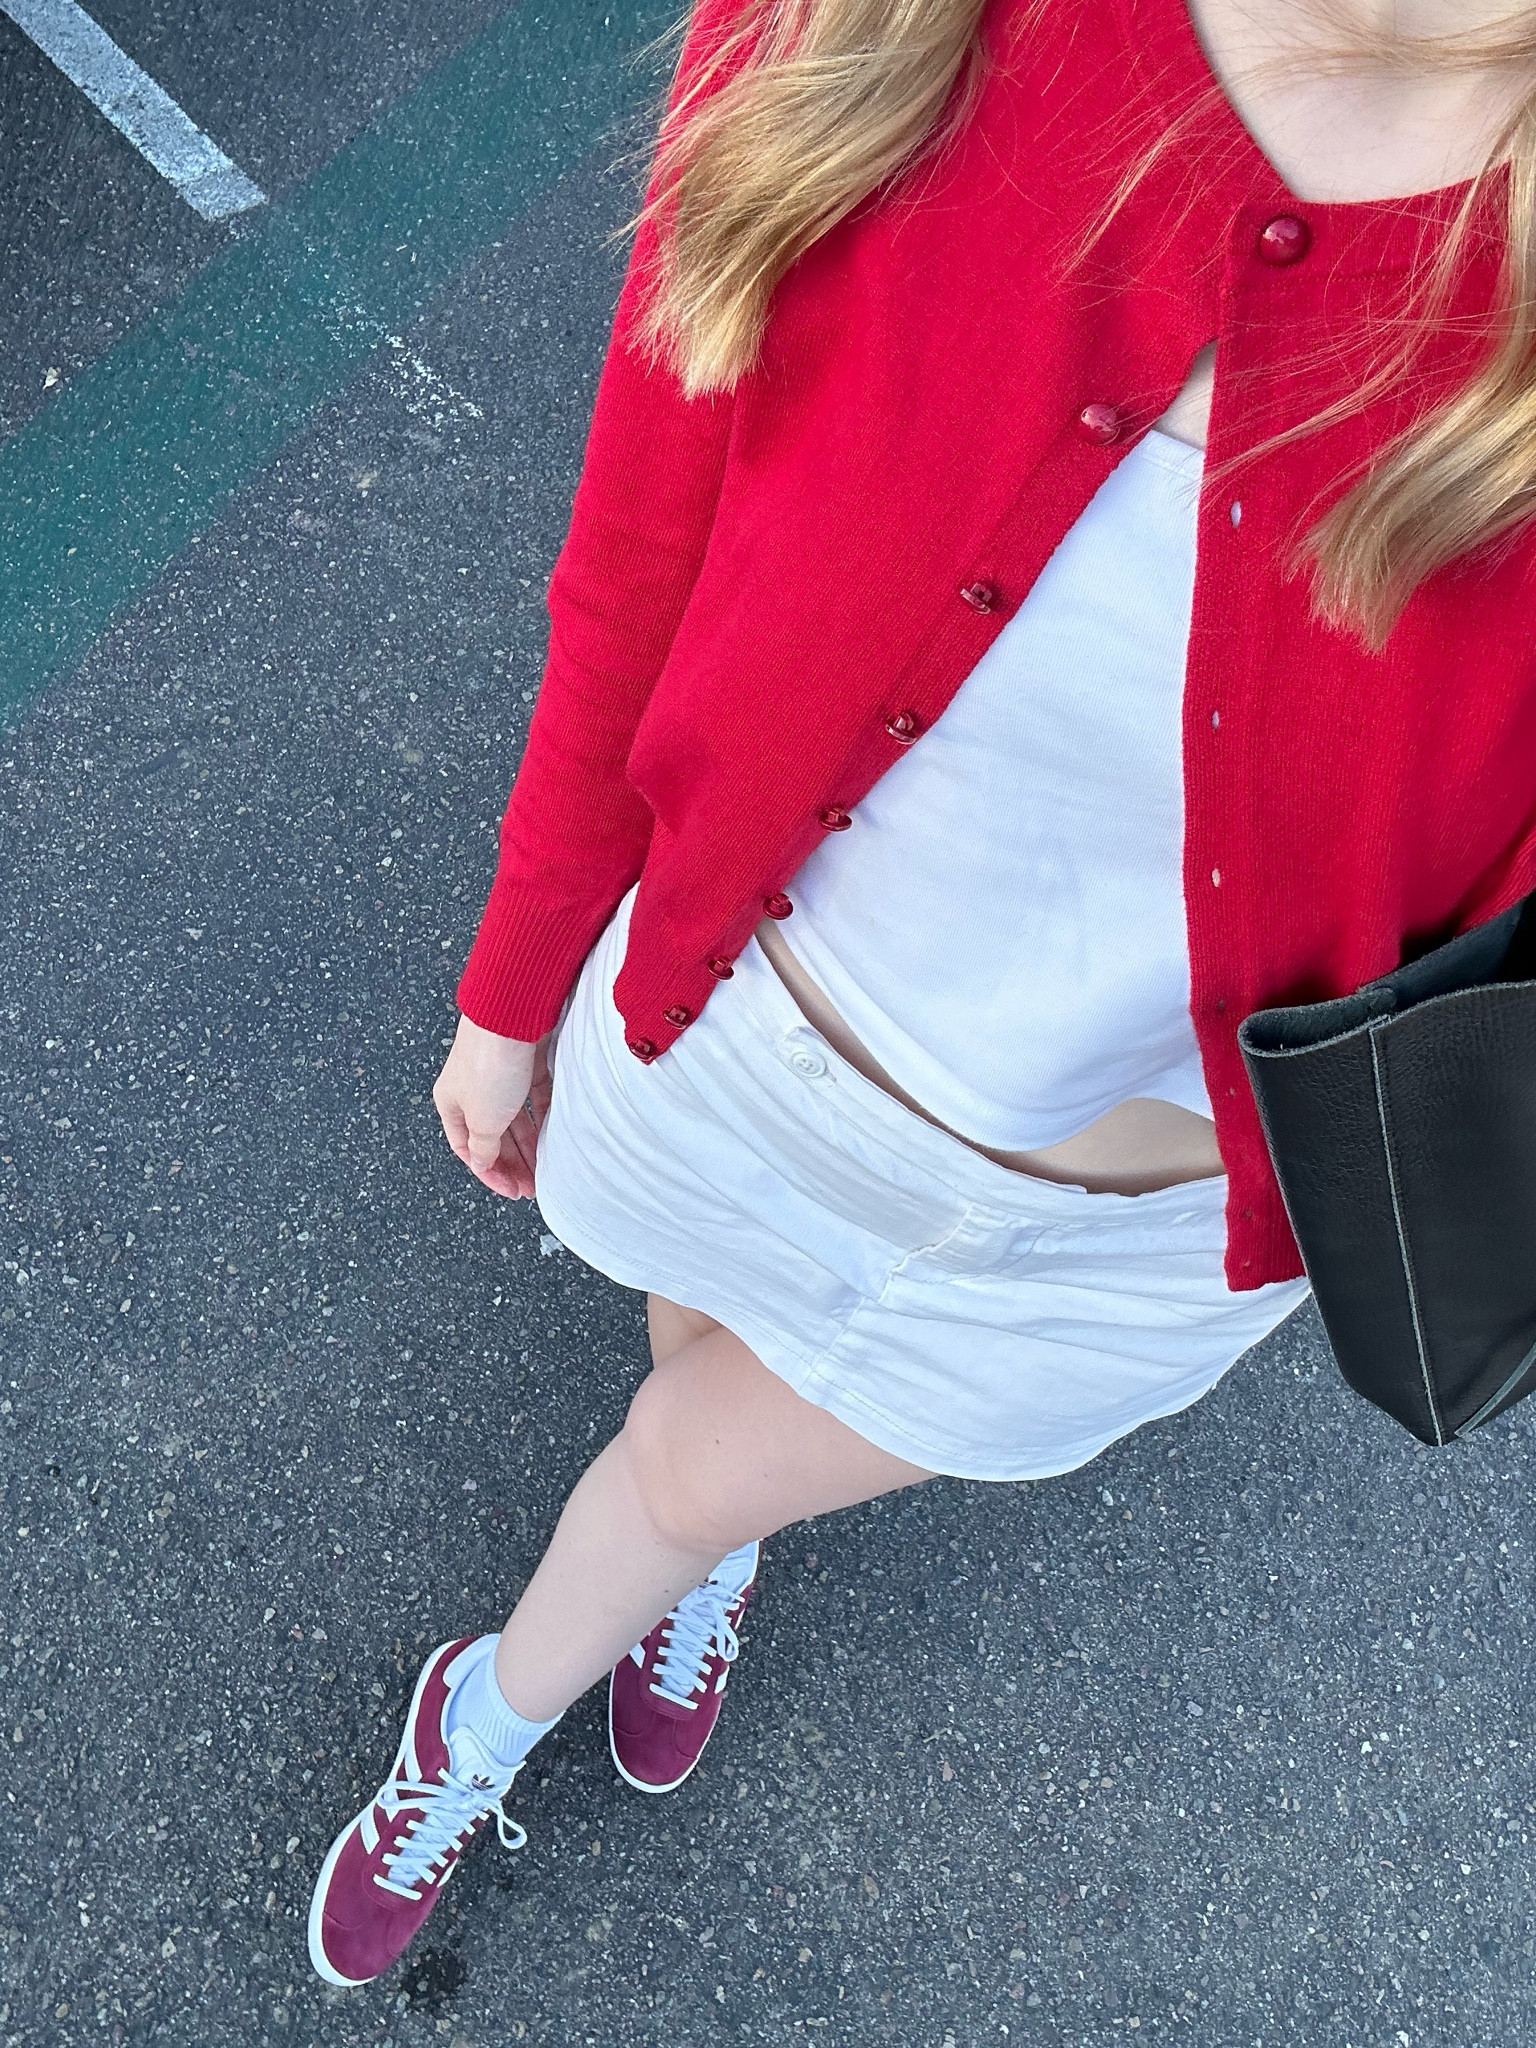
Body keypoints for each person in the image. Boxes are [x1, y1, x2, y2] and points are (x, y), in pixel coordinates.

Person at [308, 0, 1536, 1986]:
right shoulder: (892, 28)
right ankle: (688, 1564)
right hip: (741, 1027)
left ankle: (485, 1710)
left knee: (679, 1469)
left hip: (1109, 1254)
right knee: (693, 1382)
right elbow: (645, 549)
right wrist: (515, 980)